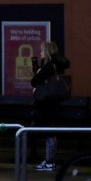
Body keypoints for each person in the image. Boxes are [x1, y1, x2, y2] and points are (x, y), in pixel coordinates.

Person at [31, 41, 71, 172]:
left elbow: (34, 81)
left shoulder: (48, 67)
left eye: (42, 51)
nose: (41, 53)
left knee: (49, 133)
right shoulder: (57, 66)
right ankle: (49, 160)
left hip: (47, 104)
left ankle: (49, 161)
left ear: (47, 52)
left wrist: (37, 71)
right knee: (50, 133)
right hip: (53, 103)